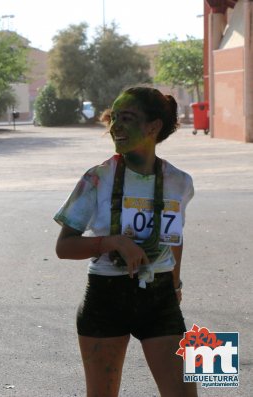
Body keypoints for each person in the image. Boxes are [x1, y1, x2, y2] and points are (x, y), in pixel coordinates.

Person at [54, 87, 197, 396]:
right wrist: (111, 242)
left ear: (153, 127)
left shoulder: (180, 182)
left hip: (160, 300)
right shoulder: (97, 178)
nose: (115, 126)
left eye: (127, 118)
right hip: (106, 298)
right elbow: (64, 247)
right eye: (114, 118)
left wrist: (174, 286)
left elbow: (175, 240)